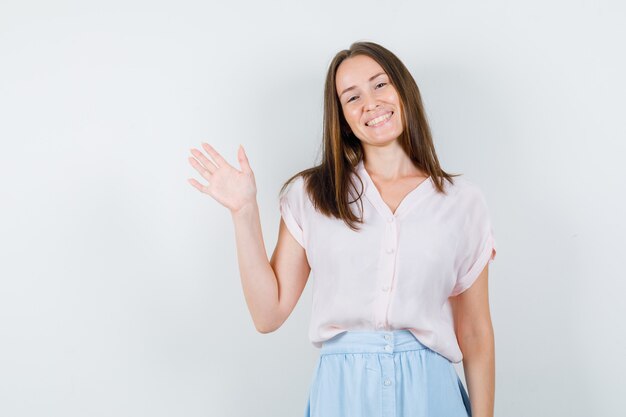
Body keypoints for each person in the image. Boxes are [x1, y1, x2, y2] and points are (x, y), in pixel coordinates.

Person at [187, 41, 497, 417]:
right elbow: (268, 315)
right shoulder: (313, 194)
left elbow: (476, 333)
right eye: (352, 97)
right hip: (343, 392)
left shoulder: (462, 201)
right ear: (343, 118)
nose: (370, 103)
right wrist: (244, 212)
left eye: (380, 85)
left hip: (430, 392)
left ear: (403, 90)